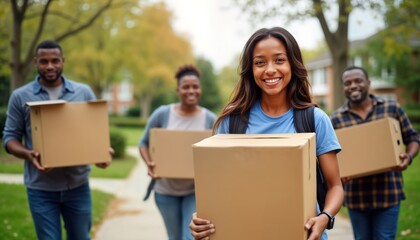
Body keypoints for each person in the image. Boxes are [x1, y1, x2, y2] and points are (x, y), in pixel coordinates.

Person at [189, 27, 344, 240]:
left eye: (279, 60)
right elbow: (216, 190)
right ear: (250, 70)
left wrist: (325, 217)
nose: (270, 70)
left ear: (292, 64)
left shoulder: (314, 120)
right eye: (260, 62)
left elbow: (335, 185)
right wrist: (200, 219)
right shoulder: (232, 122)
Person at [2, 40, 111, 240]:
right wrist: (29, 154)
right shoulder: (20, 96)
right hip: (41, 189)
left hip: (78, 186)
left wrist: (102, 152)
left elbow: (94, 132)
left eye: (55, 60)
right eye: (44, 61)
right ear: (36, 62)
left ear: (63, 61)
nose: (50, 66)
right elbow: (9, 139)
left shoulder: (83, 92)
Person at [330, 66, 420, 240]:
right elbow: (330, 156)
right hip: (357, 196)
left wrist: (408, 157)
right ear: (343, 87)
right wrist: (338, 174)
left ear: (368, 83)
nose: (353, 86)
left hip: (388, 193)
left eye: (358, 81)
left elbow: (413, 138)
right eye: (348, 83)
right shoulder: (336, 119)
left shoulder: (391, 108)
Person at [138, 64, 217, 240]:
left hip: (194, 191)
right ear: (178, 90)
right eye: (186, 87)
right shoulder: (162, 114)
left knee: (190, 237)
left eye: (195, 87)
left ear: (200, 89)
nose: (191, 91)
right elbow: (143, 143)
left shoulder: (210, 119)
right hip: (166, 191)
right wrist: (150, 163)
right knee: (174, 237)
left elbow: (216, 154)